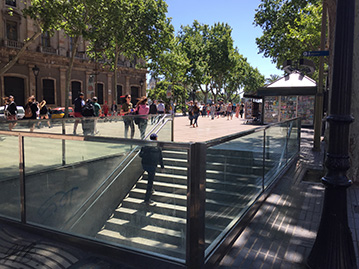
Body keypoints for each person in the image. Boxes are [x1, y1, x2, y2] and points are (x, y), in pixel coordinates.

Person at [139, 133, 164, 205]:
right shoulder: (158, 147)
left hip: (145, 165)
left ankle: (151, 190)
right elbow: (160, 158)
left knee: (150, 178)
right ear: (156, 139)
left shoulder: (145, 146)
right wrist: (162, 167)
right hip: (152, 166)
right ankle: (147, 199)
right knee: (150, 181)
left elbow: (140, 155)